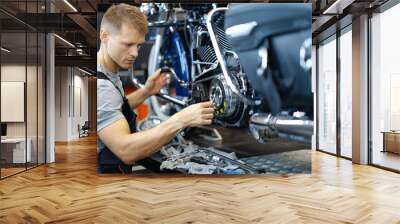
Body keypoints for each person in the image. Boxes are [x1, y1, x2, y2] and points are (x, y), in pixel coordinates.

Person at [97, 3, 214, 173]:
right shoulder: (102, 87)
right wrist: (181, 120)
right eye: (127, 44)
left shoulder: (107, 71)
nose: (135, 53)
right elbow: (126, 150)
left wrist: (146, 92)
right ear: (104, 36)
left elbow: (113, 108)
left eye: (138, 45)